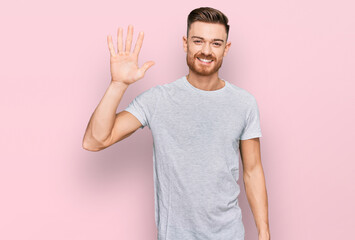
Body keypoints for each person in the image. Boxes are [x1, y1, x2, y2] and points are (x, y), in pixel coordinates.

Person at [82, 7, 270, 240]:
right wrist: (118, 84)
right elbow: (94, 140)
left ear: (226, 48)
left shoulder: (244, 103)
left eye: (216, 43)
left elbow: (252, 171)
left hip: (229, 234)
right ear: (185, 43)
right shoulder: (158, 100)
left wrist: (263, 231)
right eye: (198, 41)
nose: (206, 51)